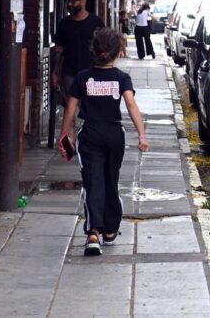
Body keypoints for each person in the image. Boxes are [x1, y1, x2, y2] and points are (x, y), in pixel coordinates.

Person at [60, 28, 149, 256]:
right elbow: (131, 106)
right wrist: (142, 135)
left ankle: (93, 232)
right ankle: (110, 228)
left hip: (90, 133)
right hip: (114, 134)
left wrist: (65, 136)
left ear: (94, 49)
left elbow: (70, 110)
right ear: (118, 51)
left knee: (93, 181)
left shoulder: (82, 77)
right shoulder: (121, 77)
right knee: (111, 179)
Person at [51, 0, 105, 104]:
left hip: (91, 72)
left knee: (90, 108)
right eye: (68, 1)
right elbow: (59, 49)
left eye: (73, 1)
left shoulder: (96, 23)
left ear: (83, 2)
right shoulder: (64, 23)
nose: (69, 4)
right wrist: (55, 72)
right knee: (70, 108)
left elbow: (104, 48)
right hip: (69, 73)